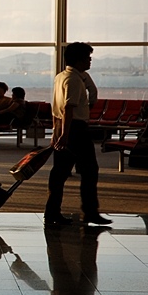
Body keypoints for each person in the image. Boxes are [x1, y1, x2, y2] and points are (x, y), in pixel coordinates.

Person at [44, 42, 112, 226]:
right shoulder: (74, 80)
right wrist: (65, 135)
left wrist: (55, 132)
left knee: (59, 172)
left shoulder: (60, 77)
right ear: (80, 59)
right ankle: (89, 212)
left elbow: (54, 108)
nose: (90, 61)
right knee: (90, 170)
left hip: (62, 127)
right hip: (75, 129)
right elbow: (68, 108)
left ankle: (52, 212)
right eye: (88, 57)